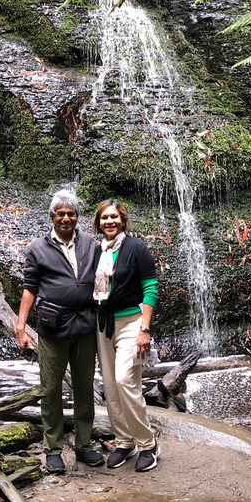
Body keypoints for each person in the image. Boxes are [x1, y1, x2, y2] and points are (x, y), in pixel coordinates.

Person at [15, 189, 104, 474]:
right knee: (51, 389)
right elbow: (29, 288)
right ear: (52, 217)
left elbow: (104, 279)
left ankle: (84, 445)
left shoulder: (91, 244)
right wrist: (21, 326)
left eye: (71, 214)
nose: (66, 218)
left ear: (77, 217)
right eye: (61, 214)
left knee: (85, 388)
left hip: (85, 326)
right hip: (52, 328)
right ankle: (53, 449)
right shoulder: (37, 249)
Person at [92, 199, 160, 471]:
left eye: (114, 217)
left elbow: (151, 288)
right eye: (104, 218)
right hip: (103, 323)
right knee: (110, 385)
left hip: (131, 323)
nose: (109, 221)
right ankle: (124, 441)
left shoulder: (136, 248)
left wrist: (145, 329)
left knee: (125, 380)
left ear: (122, 220)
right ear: (99, 223)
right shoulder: (97, 250)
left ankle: (148, 444)